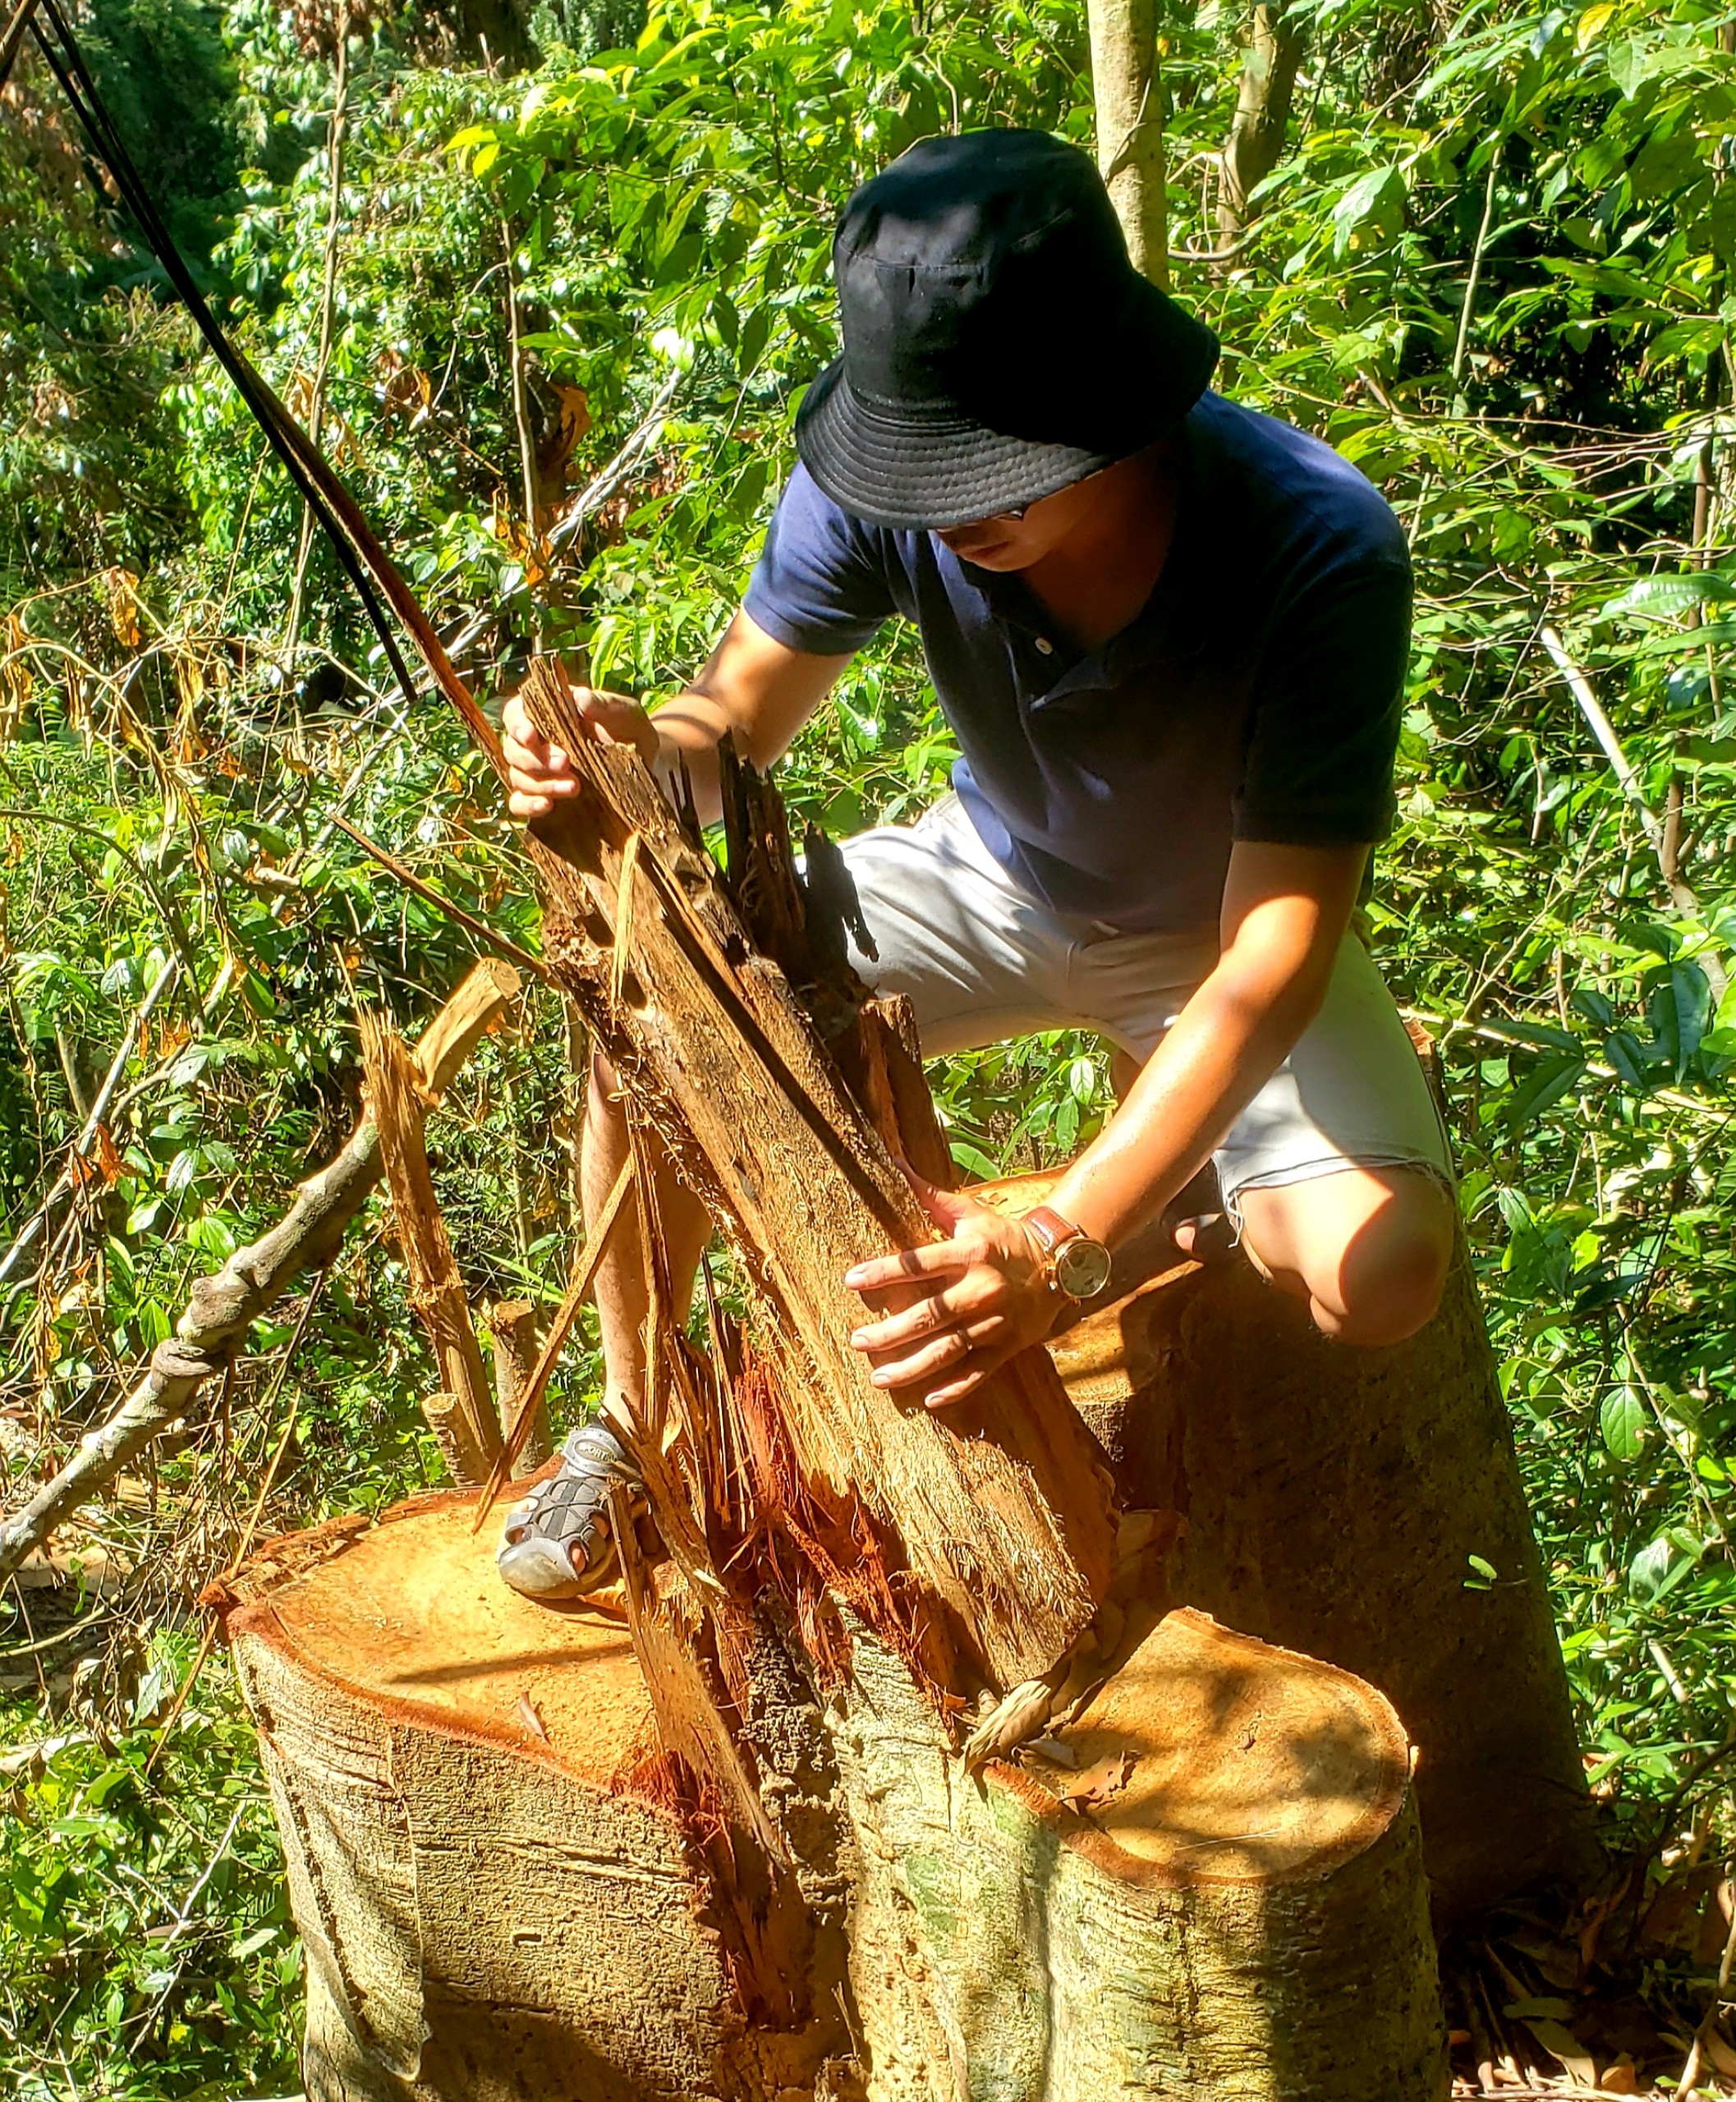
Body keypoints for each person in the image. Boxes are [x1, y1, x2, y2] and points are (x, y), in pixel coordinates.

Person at [494, 126, 1457, 1601]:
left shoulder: (1310, 545)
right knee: (646, 1021)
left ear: (1113, 407)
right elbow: (734, 718)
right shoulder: (887, 484)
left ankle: (1169, 1206)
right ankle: (635, 1425)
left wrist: (1063, 1230)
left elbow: (1274, 948)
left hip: (1213, 935)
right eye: (928, 474)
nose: (953, 514)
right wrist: (629, 739)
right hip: (990, 874)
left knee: (1377, 1276)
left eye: (995, 476)